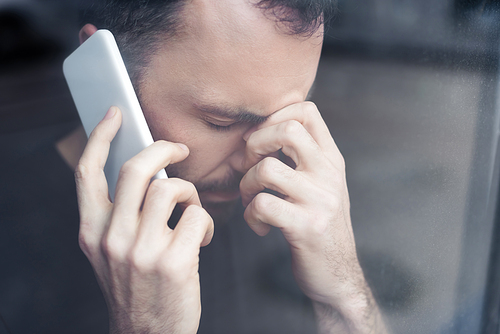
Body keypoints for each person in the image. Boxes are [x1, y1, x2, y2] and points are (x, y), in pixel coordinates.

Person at [61, 0, 389, 332]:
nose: (260, 160)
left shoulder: (288, 214)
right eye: (220, 122)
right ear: (99, 66)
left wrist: (345, 296)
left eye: (286, 119)